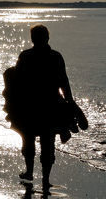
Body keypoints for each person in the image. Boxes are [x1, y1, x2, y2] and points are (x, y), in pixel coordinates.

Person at [11, 24, 74, 190]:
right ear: (48, 38)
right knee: (48, 143)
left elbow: (17, 82)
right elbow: (64, 82)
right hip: (51, 105)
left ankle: (30, 172)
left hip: (29, 105)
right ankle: (45, 180)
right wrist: (70, 103)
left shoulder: (25, 56)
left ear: (32, 38)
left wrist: (14, 104)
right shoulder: (56, 56)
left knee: (28, 139)